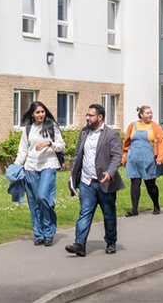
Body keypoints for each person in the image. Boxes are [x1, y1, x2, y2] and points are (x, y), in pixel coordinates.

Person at [66, 104, 124, 257]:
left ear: (100, 117)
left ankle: (111, 241)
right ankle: (80, 244)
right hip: (87, 182)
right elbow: (79, 155)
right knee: (85, 212)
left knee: (108, 214)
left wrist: (110, 173)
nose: (87, 118)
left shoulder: (111, 134)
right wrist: (73, 175)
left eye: (90, 115)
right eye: (86, 115)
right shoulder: (84, 132)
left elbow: (117, 156)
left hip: (104, 182)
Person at [15, 101, 65, 247]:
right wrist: (16, 167)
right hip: (30, 167)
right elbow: (23, 150)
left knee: (44, 197)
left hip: (48, 165)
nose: (41, 114)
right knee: (34, 202)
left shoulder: (51, 126)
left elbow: (61, 145)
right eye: (37, 112)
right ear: (32, 114)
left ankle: (49, 231)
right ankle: (39, 234)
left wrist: (49, 143)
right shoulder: (28, 129)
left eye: (42, 111)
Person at [122, 105, 163, 216]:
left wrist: (160, 157)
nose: (150, 115)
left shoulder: (155, 127)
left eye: (151, 113)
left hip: (149, 158)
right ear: (141, 115)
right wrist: (124, 156)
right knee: (135, 183)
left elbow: (162, 142)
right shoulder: (132, 126)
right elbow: (126, 142)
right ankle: (134, 210)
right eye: (147, 113)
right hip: (134, 158)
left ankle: (156, 205)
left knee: (150, 183)